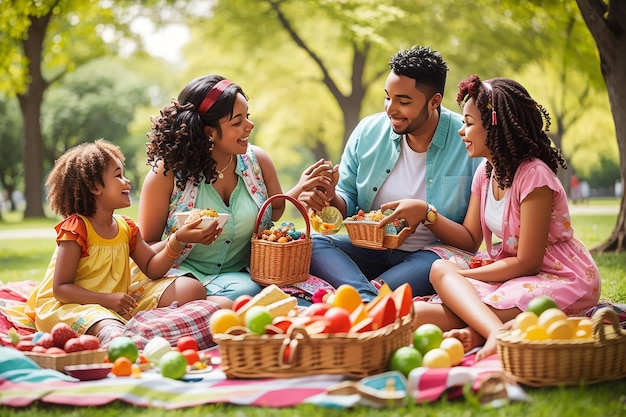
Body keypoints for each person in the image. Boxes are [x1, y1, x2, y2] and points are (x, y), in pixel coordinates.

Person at [381, 75, 601, 360]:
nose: (462, 131)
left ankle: (487, 332)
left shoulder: (534, 177)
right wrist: (427, 213)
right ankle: (494, 331)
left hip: (556, 276)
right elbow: (470, 238)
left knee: (418, 314)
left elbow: (528, 261)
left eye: (469, 123)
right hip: (511, 272)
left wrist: (465, 276)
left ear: (495, 126)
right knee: (438, 270)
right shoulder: (485, 174)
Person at [301, 46, 481, 301]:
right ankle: (367, 298)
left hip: (429, 257)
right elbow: (348, 205)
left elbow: (470, 244)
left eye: (403, 102)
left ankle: (360, 297)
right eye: (388, 97)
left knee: (438, 265)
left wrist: (427, 214)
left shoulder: (468, 143)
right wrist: (331, 197)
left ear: (434, 101)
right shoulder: (368, 132)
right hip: (371, 250)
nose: (390, 109)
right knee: (312, 244)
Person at [137, 74, 334, 302]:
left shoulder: (257, 162)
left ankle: (218, 310)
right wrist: (179, 239)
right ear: (209, 132)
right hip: (183, 279)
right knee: (234, 294)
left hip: (242, 278)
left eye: (247, 117)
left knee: (253, 291)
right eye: (237, 122)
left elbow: (274, 210)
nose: (249, 126)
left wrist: (300, 189)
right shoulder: (167, 174)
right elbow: (146, 250)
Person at [23, 140, 220, 348]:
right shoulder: (77, 228)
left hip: (115, 303)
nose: (127, 182)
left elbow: (153, 268)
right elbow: (61, 289)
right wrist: (106, 300)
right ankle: (129, 337)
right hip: (74, 305)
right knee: (107, 325)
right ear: (94, 187)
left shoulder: (126, 227)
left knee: (191, 289)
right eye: (118, 176)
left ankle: (139, 331)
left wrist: (179, 239)